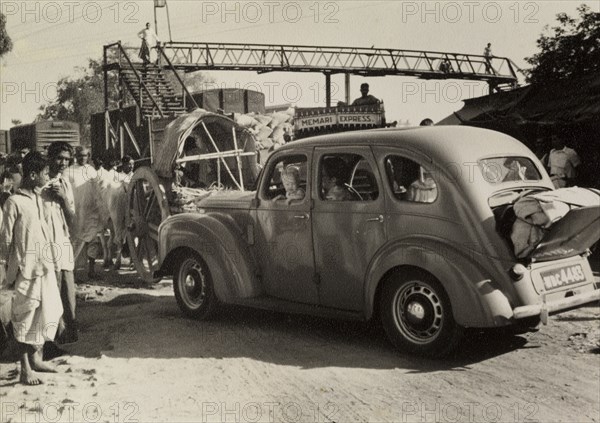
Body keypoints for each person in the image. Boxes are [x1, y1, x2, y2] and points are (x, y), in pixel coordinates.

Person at [0, 152, 64, 385]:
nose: (48, 177)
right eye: (45, 173)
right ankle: (25, 369)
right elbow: (6, 240)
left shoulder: (38, 198)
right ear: (34, 174)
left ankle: (37, 359)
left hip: (43, 266)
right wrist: (6, 272)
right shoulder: (13, 202)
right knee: (23, 319)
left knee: (46, 312)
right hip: (25, 269)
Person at [43, 141, 78, 345]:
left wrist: (64, 199)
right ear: (50, 158)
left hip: (62, 241)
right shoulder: (40, 183)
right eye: (59, 158)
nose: (63, 163)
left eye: (66, 159)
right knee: (50, 289)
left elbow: (72, 218)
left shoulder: (65, 184)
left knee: (67, 287)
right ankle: (52, 338)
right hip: (45, 244)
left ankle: (69, 333)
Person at [66, 146, 103, 279]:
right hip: (76, 212)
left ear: (88, 156)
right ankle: (72, 271)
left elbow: (98, 190)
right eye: (80, 155)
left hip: (91, 211)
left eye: (85, 155)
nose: (83, 158)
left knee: (93, 240)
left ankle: (91, 270)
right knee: (75, 240)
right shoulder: (68, 172)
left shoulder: (92, 171)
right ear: (75, 156)